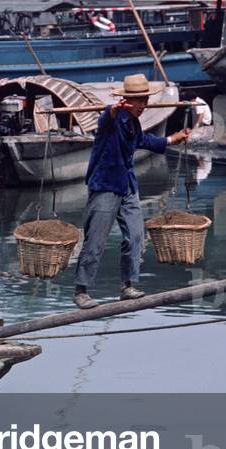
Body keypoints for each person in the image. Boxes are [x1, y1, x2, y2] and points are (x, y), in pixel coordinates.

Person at [73, 74, 191, 310]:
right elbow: (108, 118)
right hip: (106, 185)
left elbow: (143, 141)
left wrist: (171, 139)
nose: (142, 106)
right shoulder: (112, 118)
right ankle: (81, 290)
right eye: (138, 101)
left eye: (144, 100)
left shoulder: (134, 124)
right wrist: (114, 110)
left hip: (127, 185)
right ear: (127, 100)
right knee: (95, 240)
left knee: (136, 236)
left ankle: (127, 286)